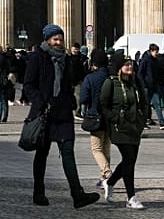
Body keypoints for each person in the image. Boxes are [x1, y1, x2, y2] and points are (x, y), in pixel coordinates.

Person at [22, 24, 100, 209]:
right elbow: (28, 85)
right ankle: (38, 192)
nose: (58, 42)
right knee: (42, 154)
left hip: (63, 113)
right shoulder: (37, 58)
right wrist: (41, 102)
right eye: (55, 39)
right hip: (45, 113)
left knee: (68, 153)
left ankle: (77, 194)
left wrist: (72, 101)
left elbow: (68, 83)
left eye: (60, 39)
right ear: (47, 39)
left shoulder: (66, 59)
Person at [99, 54, 152, 209]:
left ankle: (109, 182)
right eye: (126, 64)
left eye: (131, 64)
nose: (130, 67)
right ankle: (131, 197)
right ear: (118, 67)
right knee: (129, 159)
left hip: (135, 126)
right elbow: (103, 104)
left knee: (130, 160)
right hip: (119, 128)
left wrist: (142, 118)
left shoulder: (136, 82)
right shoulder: (110, 83)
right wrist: (115, 118)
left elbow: (143, 101)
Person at [78, 49, 113, 186]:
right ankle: (103, 179)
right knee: (106, 148)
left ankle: (107, 172)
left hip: (95, 116)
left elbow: (84, 99)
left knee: (97, 149)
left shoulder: (90, 78)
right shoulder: (112, 77)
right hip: (109, 117)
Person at [137, 42, 164, 130]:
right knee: (146, 105)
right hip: (147, 87)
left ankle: (162, 122)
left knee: (156, 105)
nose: (157, 53)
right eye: (156, 51)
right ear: (151, 51)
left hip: (153, 86)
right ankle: (144, 122)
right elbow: (140, 73)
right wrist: (143, 84)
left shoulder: (155, 60)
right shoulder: (145, 60)